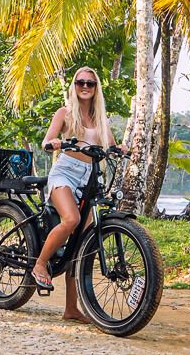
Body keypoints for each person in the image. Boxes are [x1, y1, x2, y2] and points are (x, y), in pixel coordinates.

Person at [32, 66, 127, 323]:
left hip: (89, 177)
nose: (85, 86)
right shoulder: (65, 113)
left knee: (81, 244)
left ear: (96, 89)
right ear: (73, 86)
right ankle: (40, 263)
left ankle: (71, 308)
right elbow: (47, 140)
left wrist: (122, 149)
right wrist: (54, 143)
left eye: (90, 83)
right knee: (71, 220)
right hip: (64, 173)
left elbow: (110, 143)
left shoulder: (100, 119)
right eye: (80, 82)